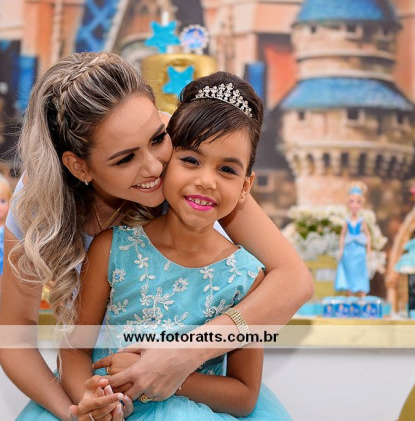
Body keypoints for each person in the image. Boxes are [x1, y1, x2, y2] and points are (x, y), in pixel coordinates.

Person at [0, 52, 312, 421]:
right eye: (124, 159)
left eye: (158, 137)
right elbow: (16, 339)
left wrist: (182, 355)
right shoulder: (40, 206)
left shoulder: (190, 151)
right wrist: (77, 411)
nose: (154, 166)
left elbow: (294, 280)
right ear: (79, 166)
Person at [60, 71, 292, 421]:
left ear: (246, 186)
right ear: (165, 162)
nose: (206, 181)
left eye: (227, 170)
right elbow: (74, 349)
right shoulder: (113, 249)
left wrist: (159, 374)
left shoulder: (247, 278)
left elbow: (244, 395)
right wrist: (92, 399)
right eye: (191, 161)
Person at [335, 182, 371, 297]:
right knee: (349, 269)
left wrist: (368, 250)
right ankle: (349, 293)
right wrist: (341, 249)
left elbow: (368, 235)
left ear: (361, 204)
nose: (355, 205)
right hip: (349, 249)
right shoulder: (347, 220)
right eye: (352, 201)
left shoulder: (361, 220)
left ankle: (362, 292)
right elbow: (342, 235)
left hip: (359, 249)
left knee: (360, 270)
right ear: (348, 204)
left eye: (358, 202)